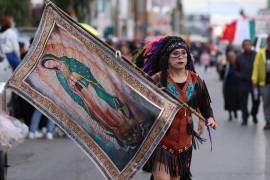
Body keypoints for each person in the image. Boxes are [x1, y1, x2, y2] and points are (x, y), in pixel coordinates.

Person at [137, 36, 216, 180]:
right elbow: (142, 104)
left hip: (184, 142)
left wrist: (209, 118)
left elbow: (205, 104)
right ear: (167, 58)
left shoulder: (195, 79)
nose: (180, 57)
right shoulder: (157, 80)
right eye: (175, 54)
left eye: (183, 53)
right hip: (161, 140)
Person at [40, 54, 142, 146]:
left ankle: (125, 122)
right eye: (49, 65)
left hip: (90, 86)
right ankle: (119, 131)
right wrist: (72, 87)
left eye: (50, 62)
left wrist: (77, 75)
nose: (52, 64)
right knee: (99, 113)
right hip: (83, 95)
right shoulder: (59, 75)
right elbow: (68, 90)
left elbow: (85, 69)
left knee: (107, 103)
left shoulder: (69, 61)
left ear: (53, 58)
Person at [236, 39, 259, 125]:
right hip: (243, 83)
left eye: (248, 45)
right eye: (245, 45)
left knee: (256, 100)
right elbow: (236, 69)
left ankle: (254, 114)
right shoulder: (239, 57)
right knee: (243, 102)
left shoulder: (256, 55)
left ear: (251, 45)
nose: (247, 47)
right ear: (243, 46)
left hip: (254, 83)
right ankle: (244, 118)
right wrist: (240, 76)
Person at [252, 34, 270, 130]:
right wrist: (254, 80)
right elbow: (256, 67)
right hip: (265, 82)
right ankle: (268, 121)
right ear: (268, 42)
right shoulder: (261, 53)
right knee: (266, 103)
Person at [223, 51, 241, 122]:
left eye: (233, 56)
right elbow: (223, 74)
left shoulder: (237, 64)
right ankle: (230, 114)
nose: (231, 58)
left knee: (236, 99)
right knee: (228, 100)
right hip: (228, 85)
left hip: (236, 84)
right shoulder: (226, 65)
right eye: (230, 57)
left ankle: (235, 111)